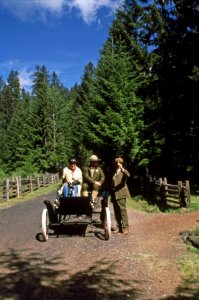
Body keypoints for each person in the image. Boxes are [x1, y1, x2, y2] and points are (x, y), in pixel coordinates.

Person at [111, 157, 130, 235]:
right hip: (115, 194)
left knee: (123, 210)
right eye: (116, 163)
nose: (117, 164)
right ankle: (119, 228)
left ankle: (126, 228)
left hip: (121, 193)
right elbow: (113, 183)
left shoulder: (123, 171)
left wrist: (122, 168)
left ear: (121, 163)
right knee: (116, 211)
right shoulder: (115, 172)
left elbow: (128, 175)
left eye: (119, 163)